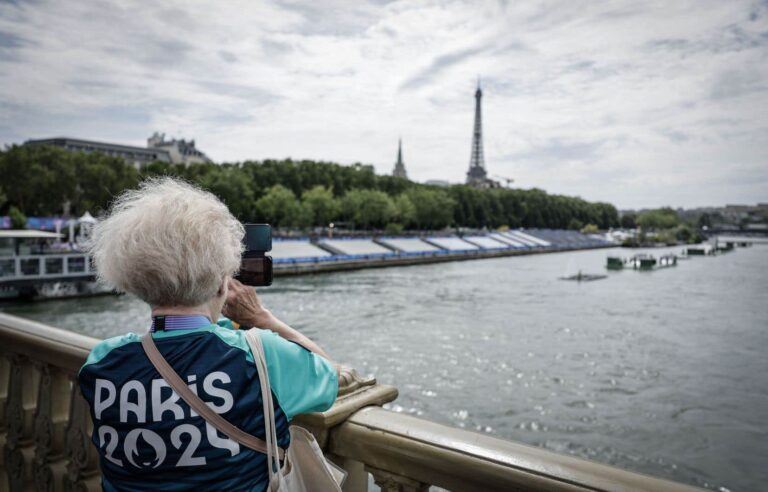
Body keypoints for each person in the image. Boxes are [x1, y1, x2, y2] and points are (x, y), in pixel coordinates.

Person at [78, 178, 338, 491]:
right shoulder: (260, 355)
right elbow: (331, 377)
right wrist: (260, 318)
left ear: (135, 281)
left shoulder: (102, 361)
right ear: (221, 281)